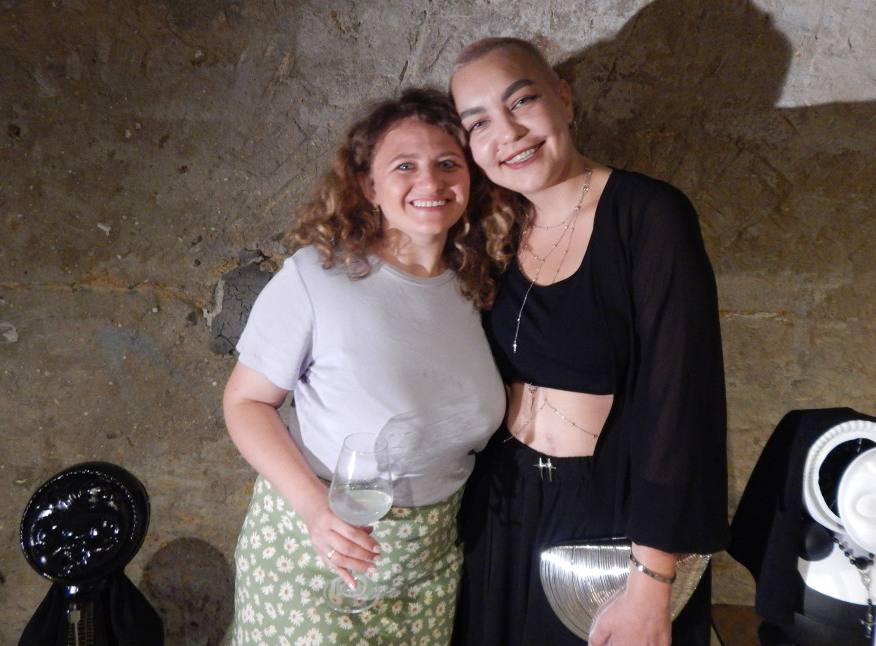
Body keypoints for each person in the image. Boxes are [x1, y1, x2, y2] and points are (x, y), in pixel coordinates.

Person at [447, 38, 729, 646]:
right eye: (478, 123)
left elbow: (683, 403)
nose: (508, 133)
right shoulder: (489, 230)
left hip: (611, 518)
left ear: (565, 100)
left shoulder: (649, 215)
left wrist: (651, 582)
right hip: (499, 505)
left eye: (521, 101)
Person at [223, 87, 506, 645]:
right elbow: (246, 402)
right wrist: (314, 510)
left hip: (428, 561)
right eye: (405, 166)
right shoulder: (318, 276)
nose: (430, 182)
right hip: (317, 552)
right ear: (369, 186)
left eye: (448, 164)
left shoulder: (476, 285)